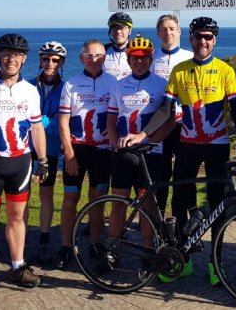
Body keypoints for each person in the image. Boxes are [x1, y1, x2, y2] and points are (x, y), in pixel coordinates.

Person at [120, 17, 236, 286]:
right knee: (181, 202)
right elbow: (165, 109)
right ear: (191, 39)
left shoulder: (225, 70)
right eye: (198, 36)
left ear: (214, 40)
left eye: (208, 37)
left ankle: (215, 262)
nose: (203, 41)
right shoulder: (180, 70)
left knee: (218, 204)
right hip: (187, 146)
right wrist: (143, 134)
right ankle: (184, 259)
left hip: (217, 147)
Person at [0, 33, 48, 302]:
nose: (11, 59)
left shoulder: (30, 90)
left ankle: (17, 266)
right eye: (6, 53)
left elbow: (37, 127)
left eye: (16, 55)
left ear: (24, 59)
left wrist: (43, 161)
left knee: (17, 219)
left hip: (21, 163)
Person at [107, 35, 174, 252]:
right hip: (123, 153)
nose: (139, 62)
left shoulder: (162, 84)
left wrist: (152, 141)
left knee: (147, 205)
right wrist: (113, 141)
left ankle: (147, 250)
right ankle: (113, 249)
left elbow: (171, 119)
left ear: (150, 59)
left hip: (151, 155)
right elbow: (111, 118)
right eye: (134, 58)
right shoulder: (118, 86)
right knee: (118, 203)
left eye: (144, 58)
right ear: (128, 60)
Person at [56, 39, 116, 269]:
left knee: (98, 200)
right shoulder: (71, 83)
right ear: (81, 58)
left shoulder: (114, 82)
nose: (94, 60)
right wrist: (69, 154)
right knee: (70, 199)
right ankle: (66, 245)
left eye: (99, 55)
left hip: (102, 152)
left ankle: (94, 243)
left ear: (105, 57)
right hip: (77, 151)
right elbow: (63, 121)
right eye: (89, 56)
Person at [28, 41, 67, 264]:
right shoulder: (28, 85)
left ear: (61, 62)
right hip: (27, 148)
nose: (49, 63)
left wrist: (41, 122)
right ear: (40, 60)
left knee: (46, 195)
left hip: (51, 150)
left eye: (54, 60)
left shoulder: (67, 88)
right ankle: (20, 236)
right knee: (21, 196)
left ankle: (44, 239)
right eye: (45, 59)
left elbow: (66, 123)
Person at [151, 14, 193, 214]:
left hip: (183, 124)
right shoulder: (151, 58)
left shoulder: (189, 57)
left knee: (183, 175)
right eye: (164, 29)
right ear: (158, 33)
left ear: (179, 32)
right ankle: (157, 221)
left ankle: (184, 221)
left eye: (172, 28)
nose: (168, 32)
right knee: (160, 174)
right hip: (158, 124)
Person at [104, 12, 133, 80]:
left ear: (130, 31)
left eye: (122, 28)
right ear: (110, 31)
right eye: (115, 28)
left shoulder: (138, 52)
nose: (118, 31)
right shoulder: (102, 51)